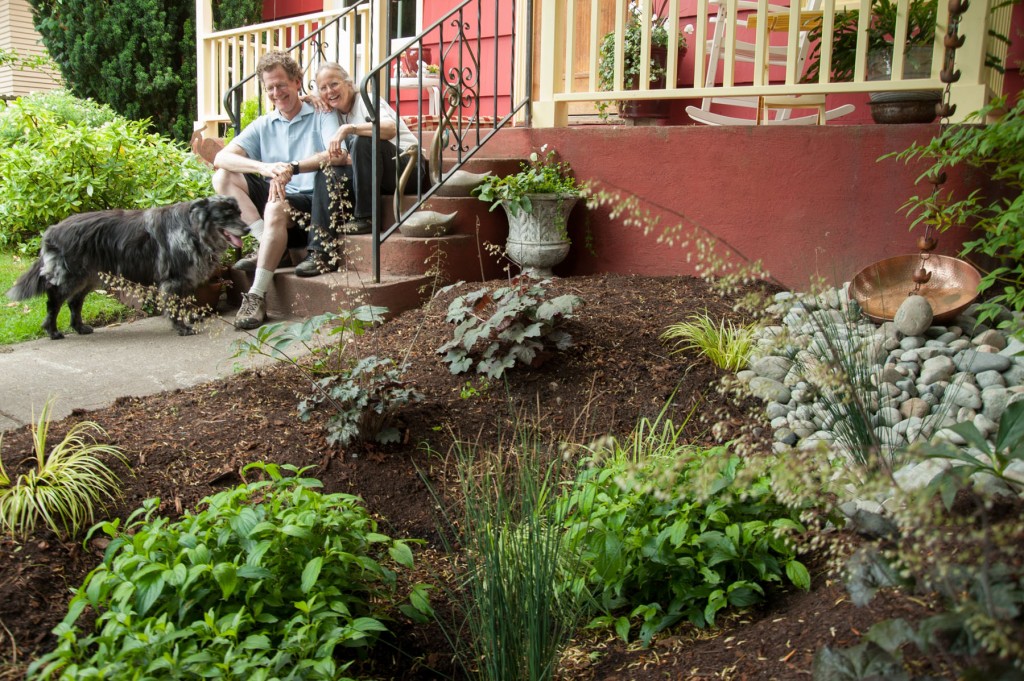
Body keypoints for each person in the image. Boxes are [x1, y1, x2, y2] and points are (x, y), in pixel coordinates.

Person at [212, 51, 343, 329]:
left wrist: (292, 168)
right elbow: (220, 158)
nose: (276, 92)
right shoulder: (264, 124)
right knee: (223, 177)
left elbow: (336, 153)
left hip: (311, 200)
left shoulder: (321, 113)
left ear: (297, 82)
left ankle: (257, 295)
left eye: (281, 84)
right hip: (278, 193)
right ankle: (267, 244)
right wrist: (264, 168)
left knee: (274, 205)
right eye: (269, 87)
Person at [314, 62, 429, 236]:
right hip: (381, 176)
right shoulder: (333, 112)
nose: (330, 91)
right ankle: (323, 238)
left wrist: (349, 128)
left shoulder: (366, 100)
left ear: (349, 83)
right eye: (323, 88)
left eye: (334, 84)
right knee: (329, 171)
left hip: (410, 166)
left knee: (363, 141)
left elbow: (390, 128)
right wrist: (307, 98)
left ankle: (367, 218)